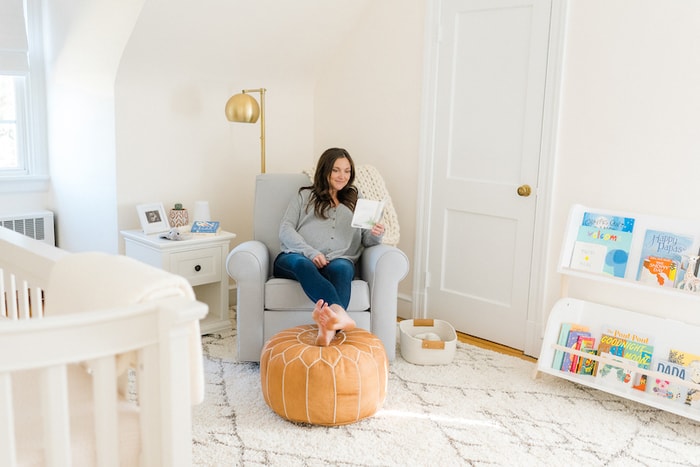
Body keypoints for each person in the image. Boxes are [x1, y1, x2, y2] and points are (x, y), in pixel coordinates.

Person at [273, 148, 385, 346]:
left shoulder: (356, 201)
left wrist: (377, 234)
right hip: (296, 256)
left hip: (338, 260)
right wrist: (311, 252)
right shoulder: (304, 196)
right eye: (336, 170)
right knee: (303, 264)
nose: (342, 176)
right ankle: (340, 316)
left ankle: (328, 329)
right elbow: (285, 229)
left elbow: (367, 240)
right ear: (325, 171)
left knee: (343, 268)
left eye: (347, 171)